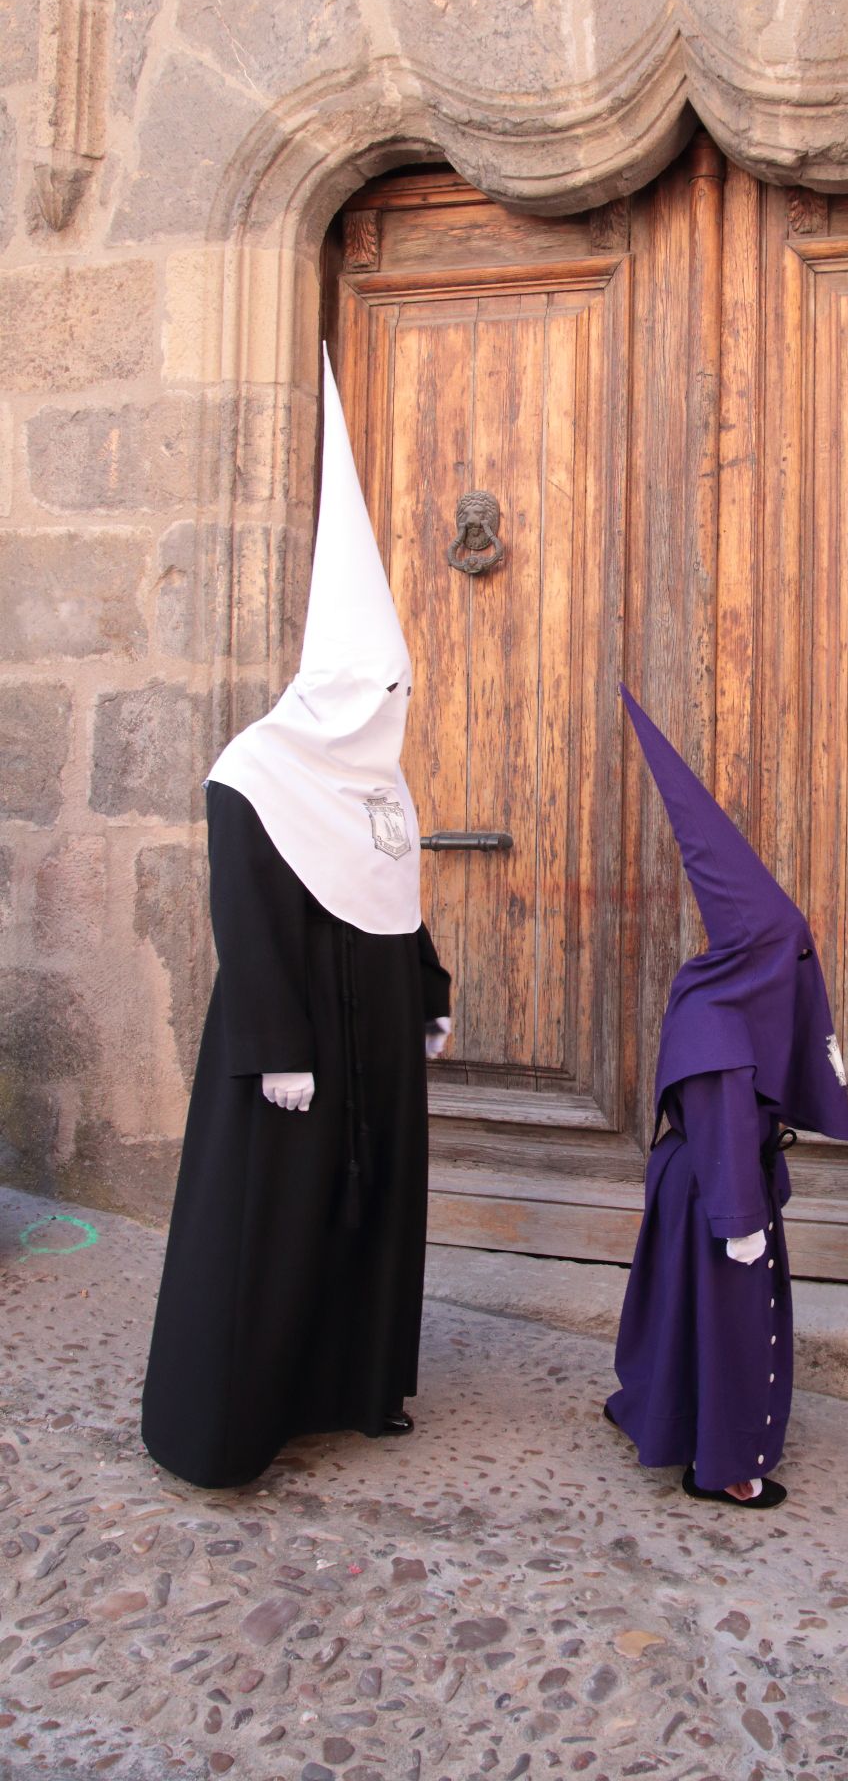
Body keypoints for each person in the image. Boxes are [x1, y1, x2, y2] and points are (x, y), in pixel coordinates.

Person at [141, 349, 452, 1489]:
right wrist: (277, 1048)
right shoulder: (254, 770)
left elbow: (393, 891)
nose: (392, 706)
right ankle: (232, 1424)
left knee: (373, 1209)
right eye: (378, 687)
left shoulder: (381, 779)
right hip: (296, 1040)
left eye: (399, 687)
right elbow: (247, 917)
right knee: (271, 1226)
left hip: (379, 1034)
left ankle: (357, 1388)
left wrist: (428, 994)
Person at [606, 688, 848, 1507]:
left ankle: (657, 1414)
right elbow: (718, 1124)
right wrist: (742, 1222)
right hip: (717, 1194)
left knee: (682, 1316)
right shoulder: (718, 1019)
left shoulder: (724, 994)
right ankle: (724, 1467)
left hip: (705, 1187)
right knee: (729, 1326)